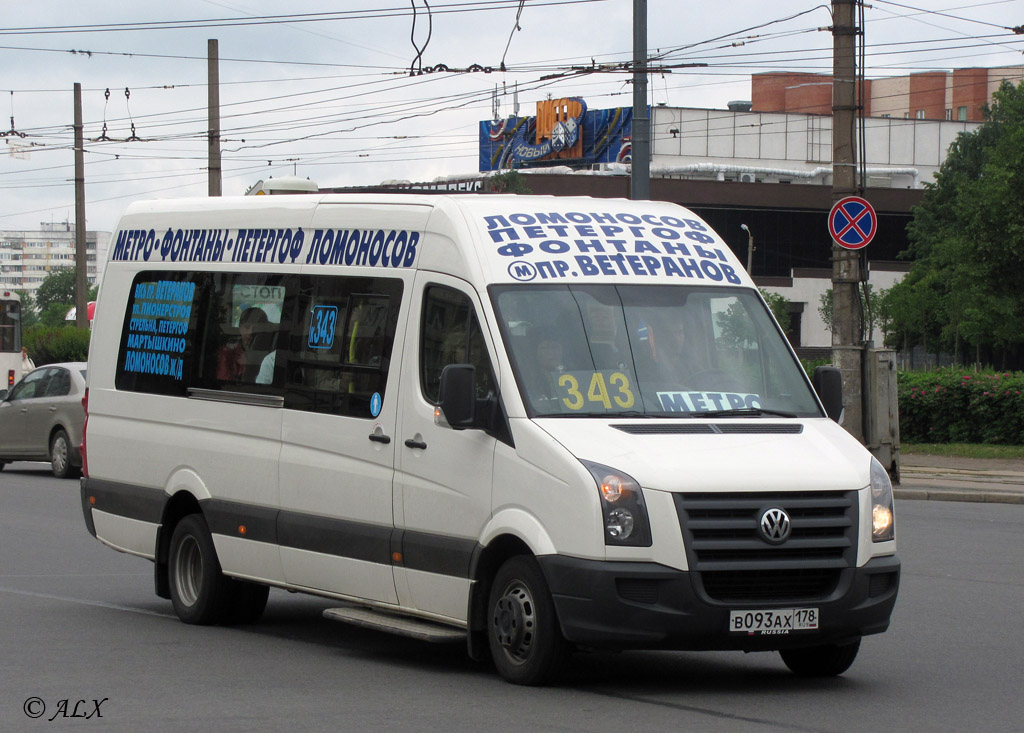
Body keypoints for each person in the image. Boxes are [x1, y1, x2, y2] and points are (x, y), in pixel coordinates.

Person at [217, 307, 269, 382]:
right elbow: (225, 386)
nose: (250, 332)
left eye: (256, 329)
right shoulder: (228, 354)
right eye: (247, 327)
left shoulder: (269, 356)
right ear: (240, 327)